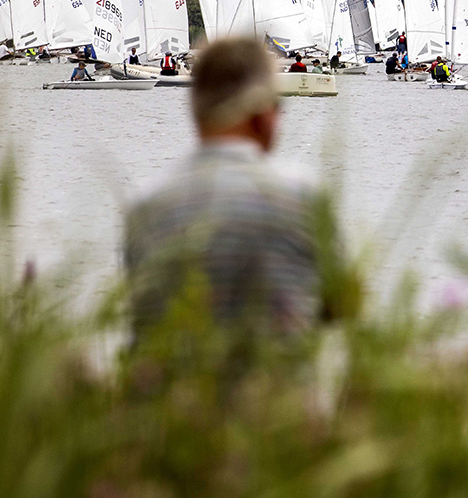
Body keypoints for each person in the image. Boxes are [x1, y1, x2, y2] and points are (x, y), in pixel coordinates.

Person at [124, 37, 323, 340]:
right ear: (261, 112)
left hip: (178, 368)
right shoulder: (304, 196)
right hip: (279, 369)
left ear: (196, 110)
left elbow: (142, 321)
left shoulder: (144, 208)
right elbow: (339, 312)